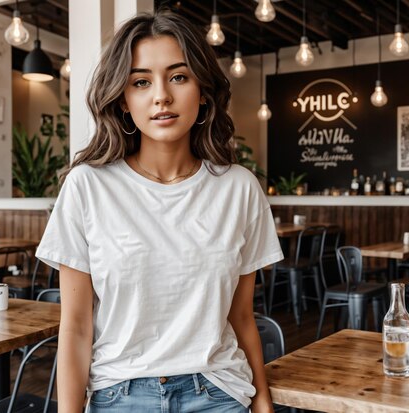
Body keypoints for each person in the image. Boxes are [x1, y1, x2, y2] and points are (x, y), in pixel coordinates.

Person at [36, 11, 283, 413]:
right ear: (123, 98)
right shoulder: (87, 186)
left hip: (218, 393)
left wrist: (264, 404)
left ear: (203, 90)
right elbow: (77, 327)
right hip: (119, 394)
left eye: (179, 77)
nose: (161, 96)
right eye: (141, 81)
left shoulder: (239, 188)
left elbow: (241, 317)